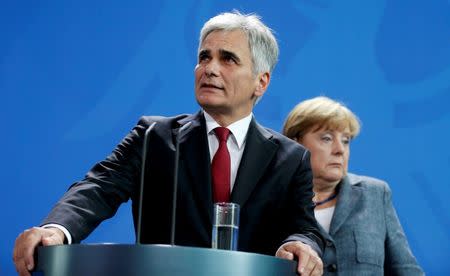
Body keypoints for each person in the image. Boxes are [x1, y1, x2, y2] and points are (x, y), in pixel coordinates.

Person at [13, 11, 325, 276]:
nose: (210, 69)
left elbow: (306, 228)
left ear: (261, 81)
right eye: (205, 56)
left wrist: (299, 245)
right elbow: (98, 188)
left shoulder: (290, 159)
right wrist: (56, 229)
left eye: (227, 59)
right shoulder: (153, 136)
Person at [283, 96, 424, 275]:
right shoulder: (273, 197)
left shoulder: (375, 194)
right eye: (326, 138)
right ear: (295, 143)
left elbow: (406, 270)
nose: (339, 149)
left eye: (346, 140)